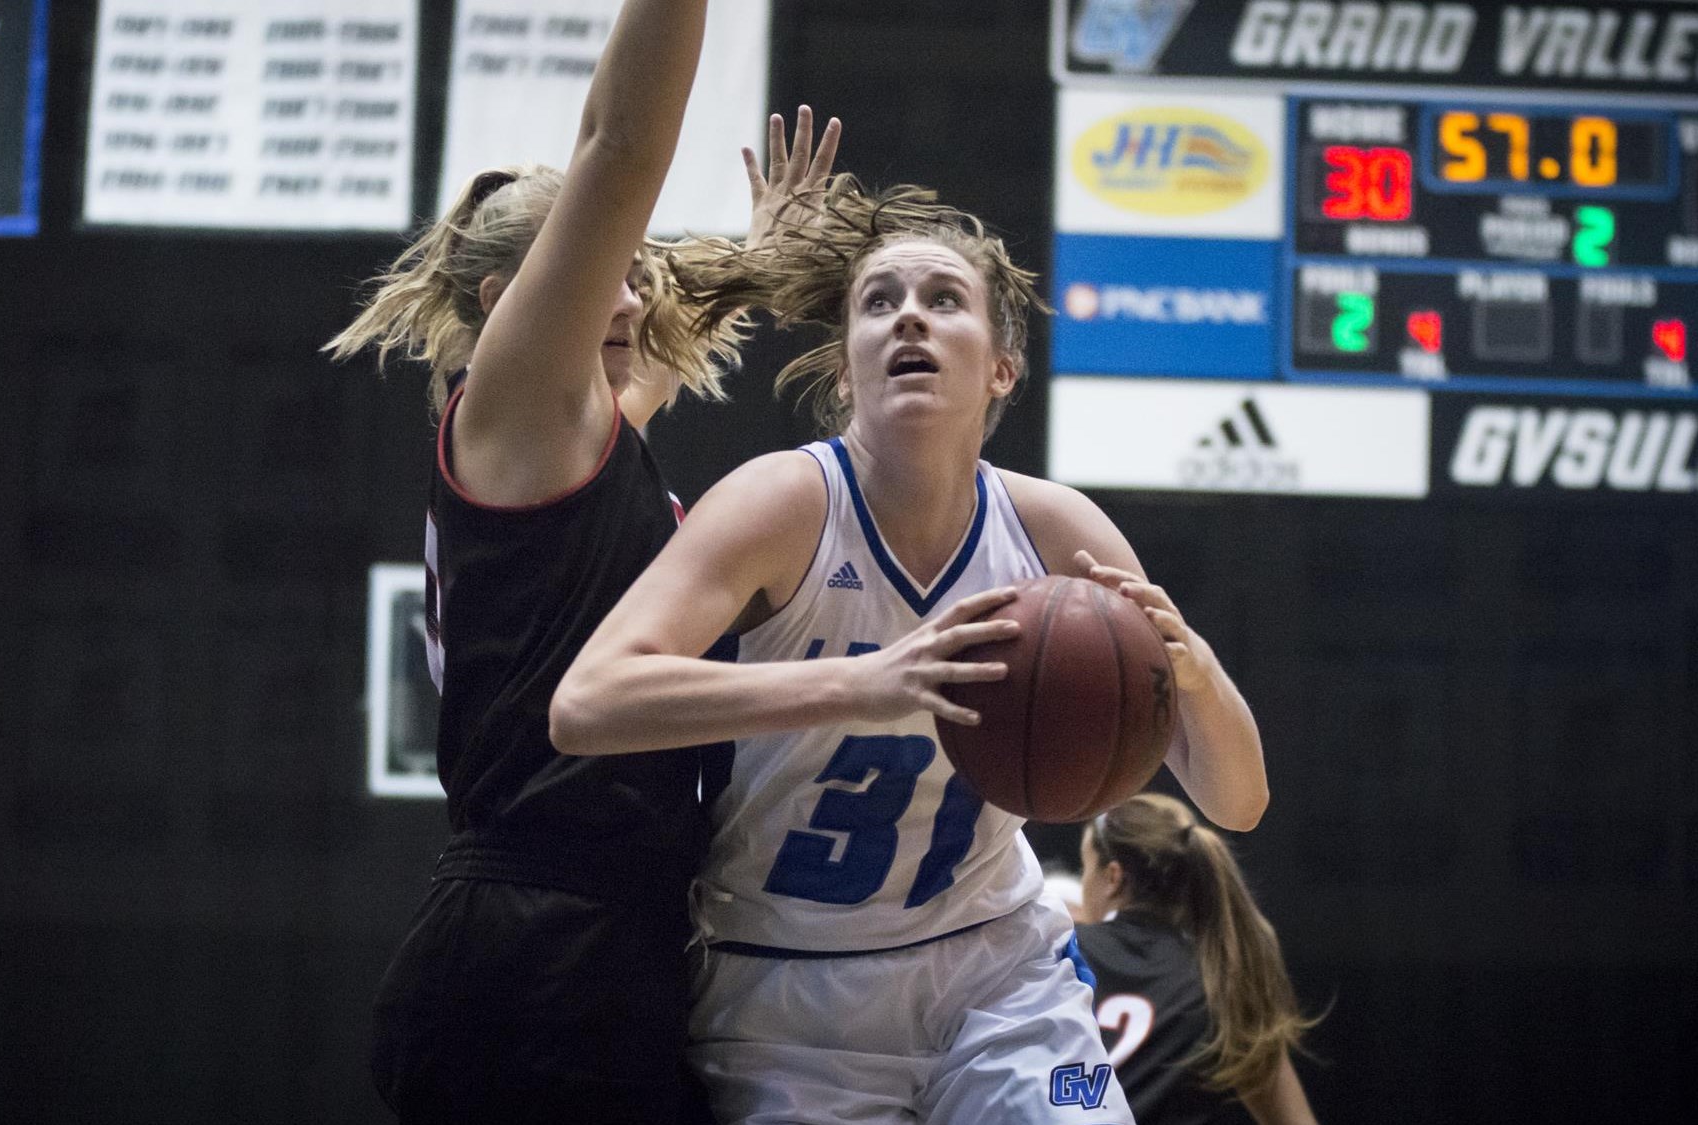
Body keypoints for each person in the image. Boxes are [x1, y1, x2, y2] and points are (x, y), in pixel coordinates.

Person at [550, 179, 1270, 1125]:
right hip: (785, 990)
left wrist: (1193, 669)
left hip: (1004, 971)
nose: (908, 322)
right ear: (846, 369)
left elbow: (1239, 800)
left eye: (943, 301)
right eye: (878, 304)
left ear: (1003, 366)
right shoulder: (782, 503)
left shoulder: (1056, 532)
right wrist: (863, 680)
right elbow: (587, 702)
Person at [323, 0, 840, 1118]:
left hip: (591, 937)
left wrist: (759, 263)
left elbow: (668, 342)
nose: (632, 297)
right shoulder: (514, 404)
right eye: (607, 272)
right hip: (531, 942)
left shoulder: (581, 436)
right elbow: (619, 147)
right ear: (505, 307)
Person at [1077, 794, 1321, 1125]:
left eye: (1085, 869)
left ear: (1113, 878)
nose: (1081, 886)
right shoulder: (1222, 975)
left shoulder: (1064, 953)